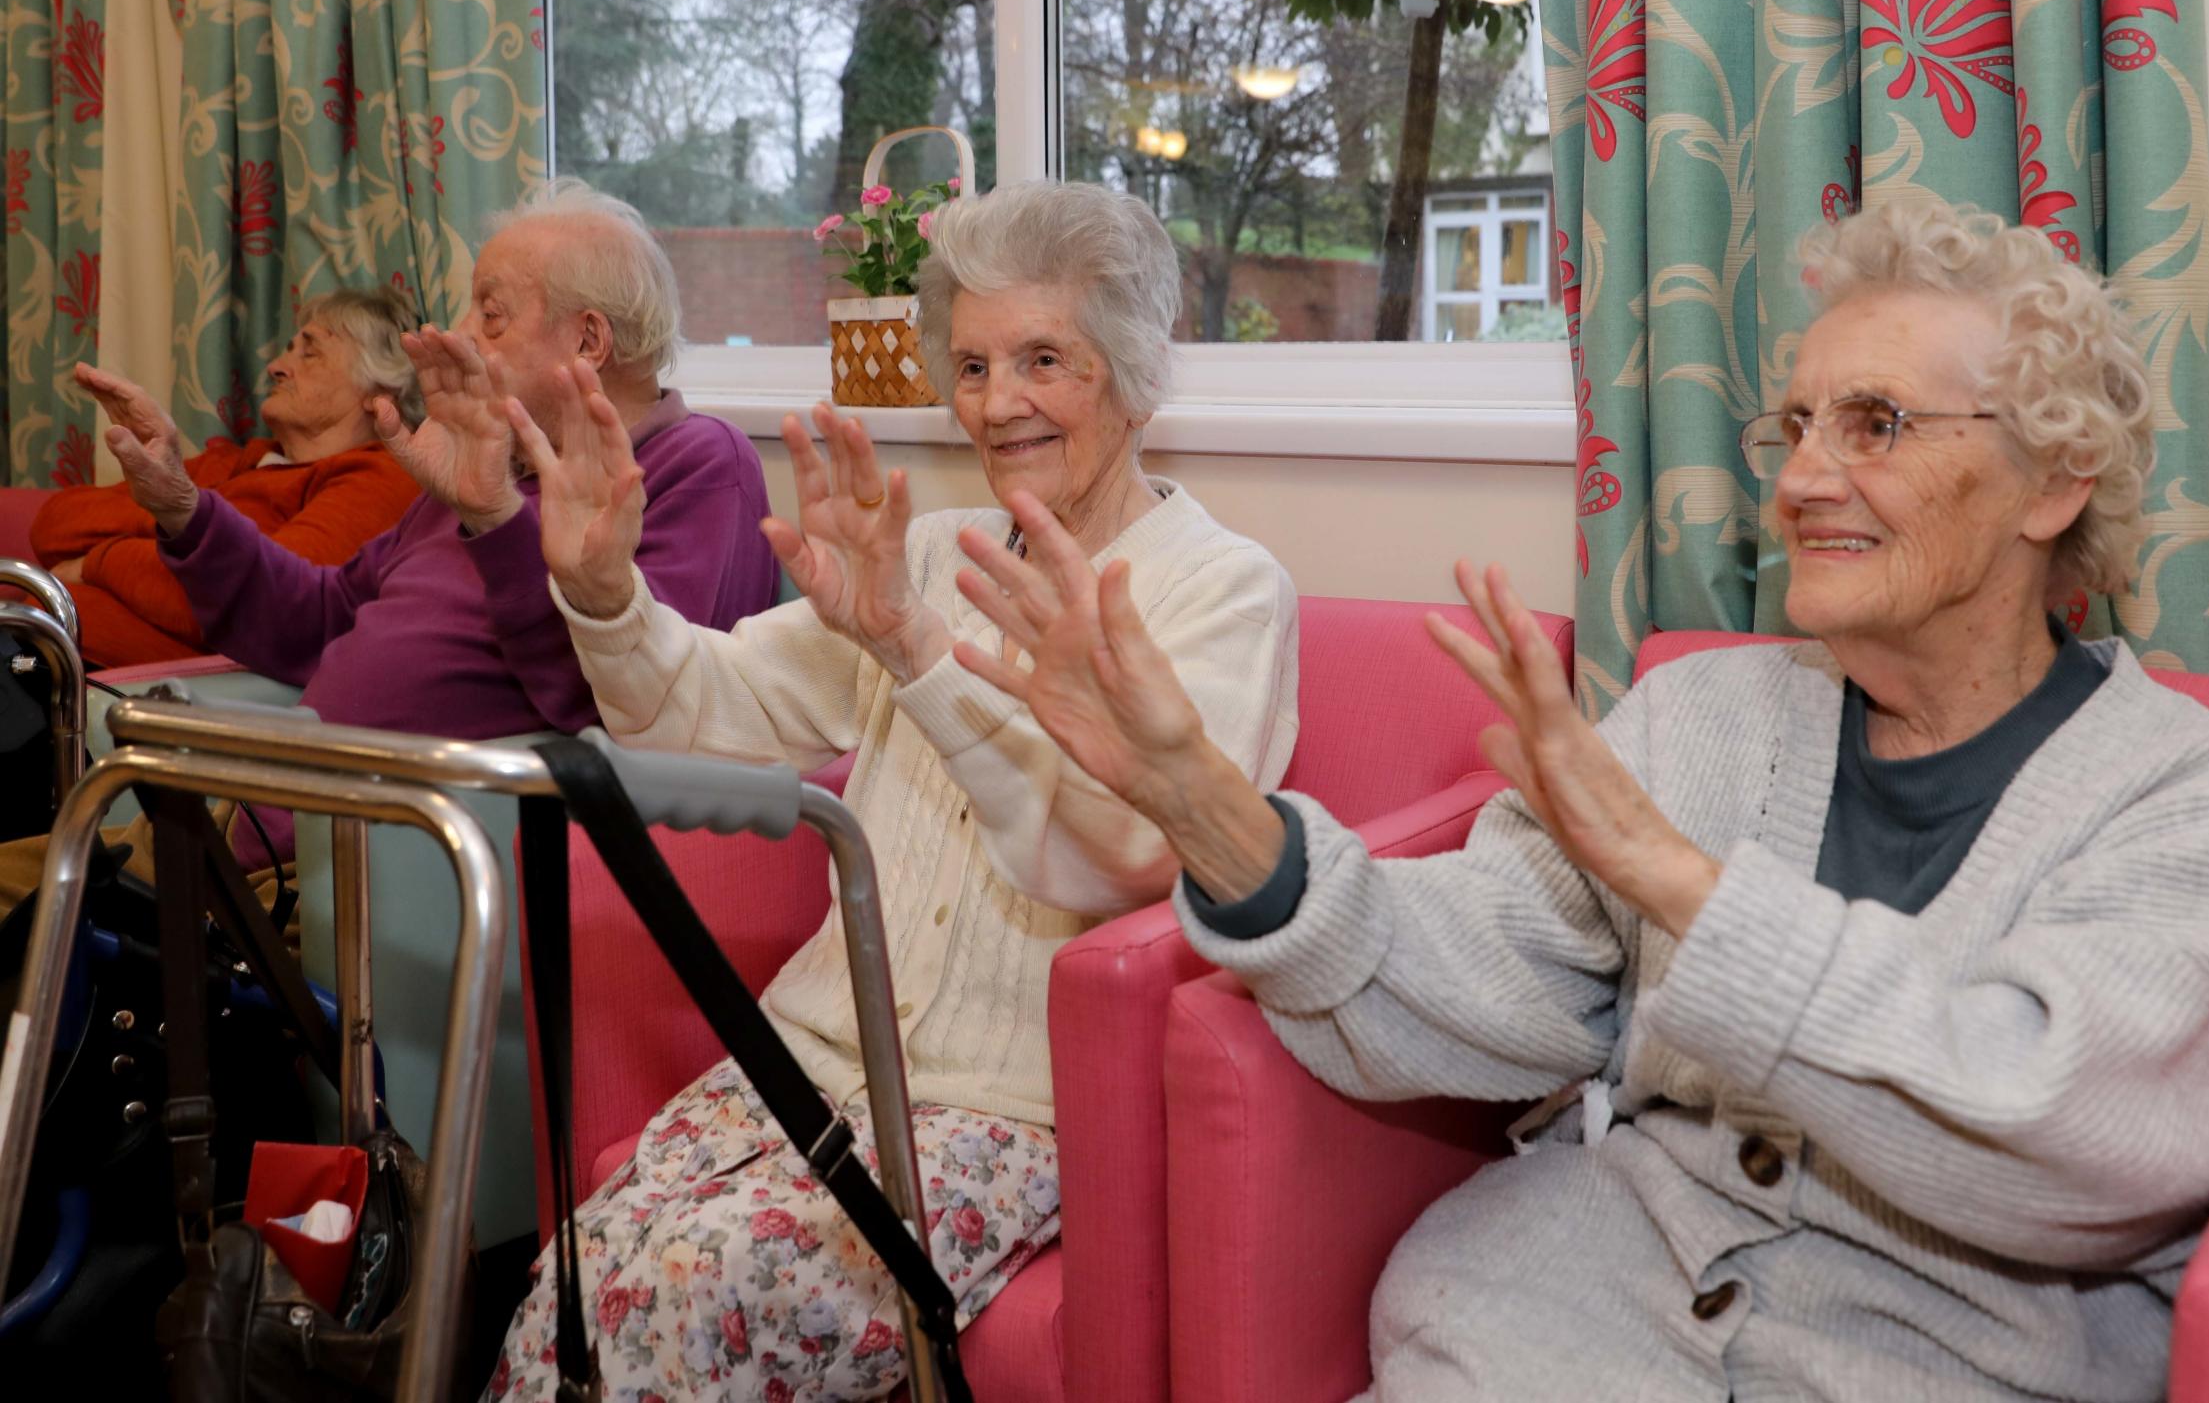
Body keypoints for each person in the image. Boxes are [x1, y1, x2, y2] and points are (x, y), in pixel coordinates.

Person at [956, 199, 2209, 1400]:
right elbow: (1485, 973)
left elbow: (2059, 1130)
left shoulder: (2206, 804)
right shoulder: (1706, 716)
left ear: (2056, 482)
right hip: (1548, 1333)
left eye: (1877, 424)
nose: (1797, 481)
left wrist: (1682, 884)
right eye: (1795, 425)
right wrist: (1198, 796)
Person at [482, 180, 1300, 1401]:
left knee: (683, 1305)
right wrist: (605, 593)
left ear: (1131, 369)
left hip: (1005, 1111)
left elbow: (1131, 850)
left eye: (1042, 358)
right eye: (970, 364)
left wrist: (918, 651)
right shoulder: (920, 553)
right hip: (806, 1059)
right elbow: (703, 712)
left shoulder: (1223, 589)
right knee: (563, 1299)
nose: (998, 401)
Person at [0, 178, 777, 907]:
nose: (454, 336)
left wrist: (495, 517)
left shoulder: (695, 466)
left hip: (384, 873)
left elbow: (634, 709)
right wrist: (183, 507)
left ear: (590, 341)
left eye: (490, 314)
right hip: (258, 827)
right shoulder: (489, 465)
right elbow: (320, 618)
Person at [31, 289, 424, 666]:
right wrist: (174, 519)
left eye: (310, 352)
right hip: (44, 652)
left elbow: (256, 601)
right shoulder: (233, 461)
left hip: (125, 687)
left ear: (379, 391)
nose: (275, 367)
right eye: (289, 350)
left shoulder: (379, 477)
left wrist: (99, 560)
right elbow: (54, 526)